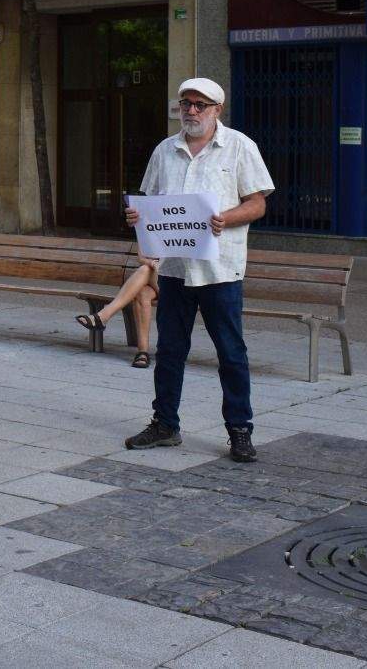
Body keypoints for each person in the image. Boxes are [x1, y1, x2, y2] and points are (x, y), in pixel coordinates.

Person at [123, 77, 274, 462]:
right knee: (170, 350)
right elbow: (151, 202)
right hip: (174, 269)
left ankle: (240, 430)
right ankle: (165, 424)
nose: (191, 111)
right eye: (185, 103)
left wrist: (227, 217)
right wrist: (138, 216)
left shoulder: (239, 146)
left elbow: (257, 204)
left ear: (216, 110)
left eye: (200, 105)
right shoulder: (164, 150)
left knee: (231, 353)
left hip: (220, 270)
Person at [74, 257, 158, 367]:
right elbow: (141, 256)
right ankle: (142, 352)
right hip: (157, 278)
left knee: (145, 270)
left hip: (178, 285)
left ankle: (103, 316)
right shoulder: (150, 238)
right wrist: (153, 263)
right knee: (142, 293)